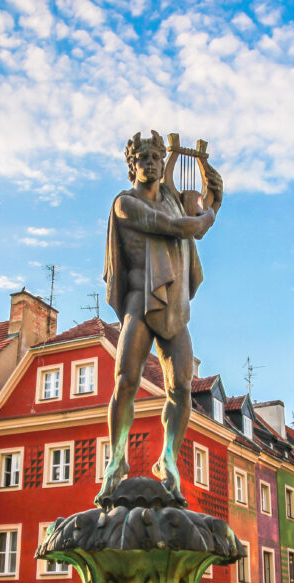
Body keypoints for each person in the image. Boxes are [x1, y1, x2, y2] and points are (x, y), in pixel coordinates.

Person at [96, 130, 222, 507]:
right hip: (138, 301)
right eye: (143, 159)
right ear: (131, 164)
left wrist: (211, 189)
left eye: (155, 158)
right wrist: (205, 218)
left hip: (172, 308)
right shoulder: (126, 203)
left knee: (182, 386)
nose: (150, 164)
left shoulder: (172, 199)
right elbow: (173, 226)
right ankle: (116, 459)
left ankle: (168, 459)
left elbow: (206, 203)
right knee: (126, 380)